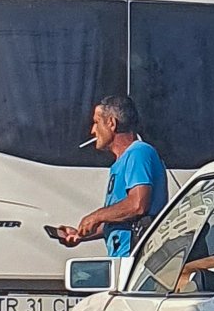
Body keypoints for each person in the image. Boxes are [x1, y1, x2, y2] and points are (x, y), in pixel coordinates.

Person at [56, 95, 168, 257]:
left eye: (96, 122)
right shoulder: (121, 162)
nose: (92, 131)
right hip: (122, 258)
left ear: (111, 123)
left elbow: (137, 205)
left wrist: (97, 216)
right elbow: (121, 217)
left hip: (137, 257)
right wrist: (81, 234)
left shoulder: (139, 152)